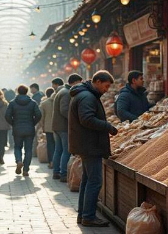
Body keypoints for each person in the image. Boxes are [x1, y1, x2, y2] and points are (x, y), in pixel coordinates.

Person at [69, 70, 118, 227]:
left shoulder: (85, 95)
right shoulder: (87, 97)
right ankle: (89, 216)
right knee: (95, 181)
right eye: (106, 86)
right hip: (89, 145)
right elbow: (87, 119)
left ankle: (83, 215)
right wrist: (108, 126)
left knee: (87, 180)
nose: (107, 90)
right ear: (97, 81)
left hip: (86, 144)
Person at [52, 73, 83, 182]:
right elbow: (64, 109)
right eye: (79, 82)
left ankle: (56, 172)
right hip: (63, 127)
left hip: (58, 126)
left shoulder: (63, 91)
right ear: (74, 82)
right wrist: (75, 118)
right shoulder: (66, 93)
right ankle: (63, 173)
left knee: (59, 150)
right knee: (66, 150)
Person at [5, 85, 42, 176]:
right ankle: (26, 169)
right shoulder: (33, 103)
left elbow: (7, 115)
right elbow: (39, 115)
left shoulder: (12, 103)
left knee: (17, 147)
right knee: (28, 149)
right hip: (29, 128)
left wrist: (13, 123)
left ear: (17, 91)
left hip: (17, 128)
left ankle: (18, 161)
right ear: (27, 91)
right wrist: (33, 123)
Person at [39, 87, 56, 169]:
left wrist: (42, 126)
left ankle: (51, 161)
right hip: (59, 127)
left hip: (48, 127)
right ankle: (58, 162)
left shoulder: (44, 103)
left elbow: (41, 117)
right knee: (58, 146)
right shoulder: (58, 100)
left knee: (50, 145)